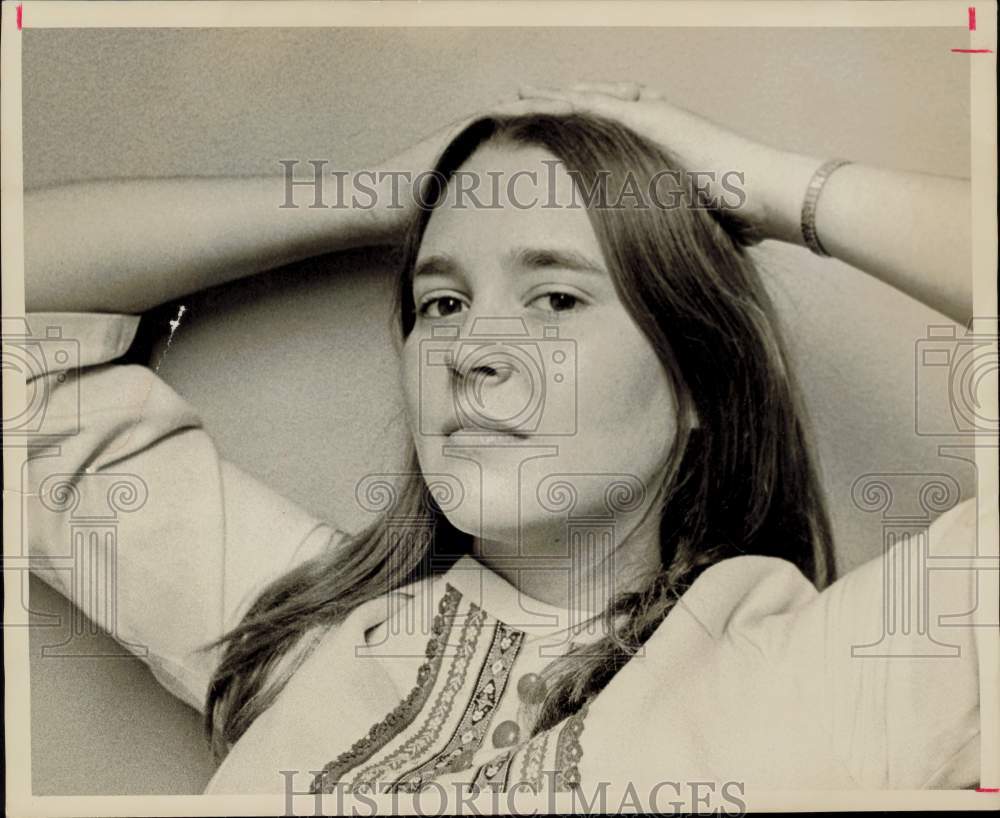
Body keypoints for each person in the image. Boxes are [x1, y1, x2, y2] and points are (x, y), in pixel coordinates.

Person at [23, 82, 990, 797]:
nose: (471, 349)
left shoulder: (829, 684)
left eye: (557, 298)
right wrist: (366, 196)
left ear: (697, 379)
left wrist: (783, 192)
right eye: (439, 300)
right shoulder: (299, 634)